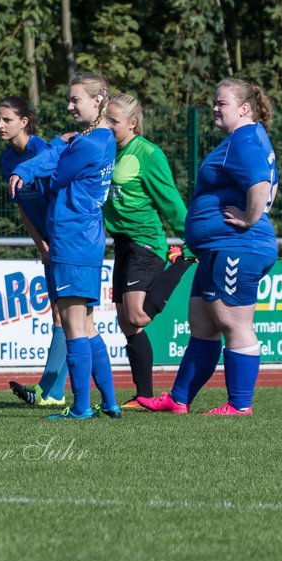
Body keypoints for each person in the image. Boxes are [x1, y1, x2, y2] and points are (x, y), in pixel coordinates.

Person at [138, 79, 278, 415]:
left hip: (236, 246)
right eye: (214, 102)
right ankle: (179, 398)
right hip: (216, 248)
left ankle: (239, 405)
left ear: (244, 109)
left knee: (234, 323)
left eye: (222, 103)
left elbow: (260, 183)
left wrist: (249, 216)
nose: (215, 108)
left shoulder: (244, 138)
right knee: (202, 323)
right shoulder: (242, 138)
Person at [9, 72, 120, 420]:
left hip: (72, 241)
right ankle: (111, 403)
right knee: (87, 325)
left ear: (97, 100)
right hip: (85, 239)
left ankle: (81, 407)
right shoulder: (101, 140)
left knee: (73, 327)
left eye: (77, 100)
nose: (70, 105)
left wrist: (56, 145)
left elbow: (55, 177)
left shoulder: (87, 144)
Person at [102, 93, 196, 407]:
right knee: (126, 324)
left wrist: (190, 238)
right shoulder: (105, 150)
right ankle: (144, 396)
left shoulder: (148, 153)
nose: (108, 125)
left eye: (113, 121)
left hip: (145, 240)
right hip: (122, 243)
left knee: (138, 315)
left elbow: (170, 201)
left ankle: (182, 262)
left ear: (133, 123)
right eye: (106, 119)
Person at [0, 96, 69, 408]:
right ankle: (53, 391)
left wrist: (56, 241)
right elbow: (23, 207)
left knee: (67, 315)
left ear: (24, 122)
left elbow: (60, 195)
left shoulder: (43, 151)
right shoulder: (5, 161)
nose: (0, 125)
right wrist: (41, 244)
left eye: (7, 120)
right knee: (63, 315)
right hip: (48, 245)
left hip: (66, 240)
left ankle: (50, 391)